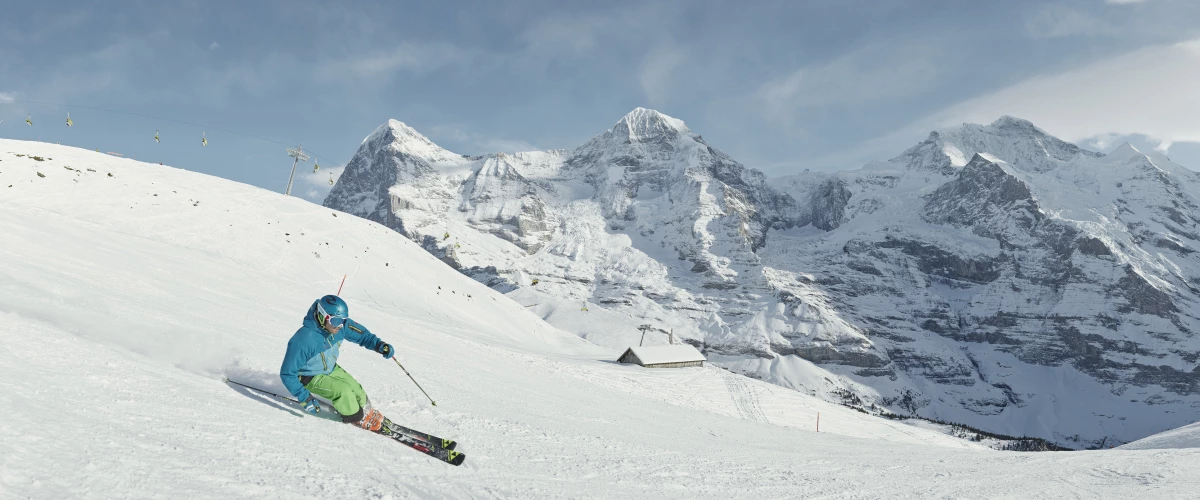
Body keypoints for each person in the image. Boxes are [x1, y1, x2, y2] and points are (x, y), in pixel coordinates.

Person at [280, 295, 395, 431]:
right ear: (323, 316)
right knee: (344, 392)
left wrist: (379, 345)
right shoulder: (304, 340)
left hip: (329, 367)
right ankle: (356, 416)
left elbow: (362, 335)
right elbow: (287, 373)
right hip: (309, 376)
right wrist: (305, 397)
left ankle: (366, 410)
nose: (340, 326)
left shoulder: (340, 326)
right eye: (336, 321)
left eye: (343, 320)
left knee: (356, 388)